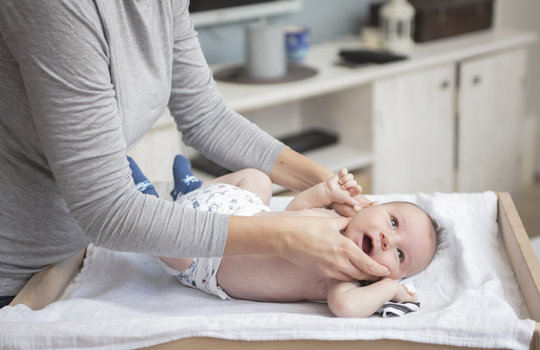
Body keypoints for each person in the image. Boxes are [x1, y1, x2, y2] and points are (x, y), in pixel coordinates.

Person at [0, 1, 388, 308]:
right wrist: (287, 233)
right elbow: (109, 211)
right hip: (18, 278)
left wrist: (332, 186)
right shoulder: (56, 7)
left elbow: (207, 117)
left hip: (81, 257)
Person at [132, 155, 442, 318]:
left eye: (399, 255)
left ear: (387, 274)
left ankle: (147, 203)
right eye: (392, 222)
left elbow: (346, 308)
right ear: (368, 206)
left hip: (207, 258)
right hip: (238, 210)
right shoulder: (334, 217)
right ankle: (192, 189)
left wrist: (389, 289)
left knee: (172, 246)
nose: (390, 240)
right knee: (257, 179)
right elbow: (295, 210)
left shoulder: (342, 273)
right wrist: (325, 191)